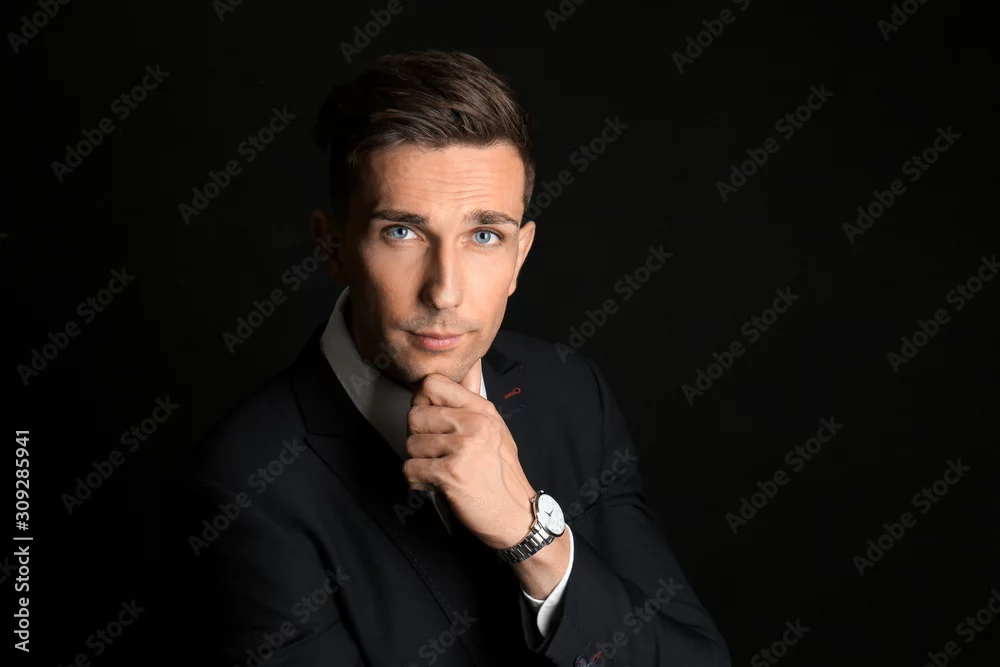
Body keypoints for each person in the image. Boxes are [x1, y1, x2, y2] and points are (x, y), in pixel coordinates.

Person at [169, 49, 730, 667]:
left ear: (519, 257)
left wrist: (531, 538)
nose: (444, 291)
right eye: (402, 232)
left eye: (484, 235)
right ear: (333, 247)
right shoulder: (245, 479)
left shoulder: (573, 393)